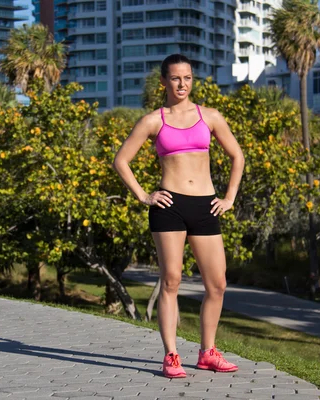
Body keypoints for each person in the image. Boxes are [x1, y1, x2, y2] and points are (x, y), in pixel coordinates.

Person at [112, 54, 245, 378]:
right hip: (168, 207)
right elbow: (121, 161)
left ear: (192, 80)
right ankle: (171, 355)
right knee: (170, 281)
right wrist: (144, 195)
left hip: (205, 206)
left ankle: (207, 352)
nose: (182, 84)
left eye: (187, 77)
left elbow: (237, 156)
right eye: (175, 78)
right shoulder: (152, 121)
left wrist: (229, 198)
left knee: (217, 284)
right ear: (164, 82)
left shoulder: (210, 116)